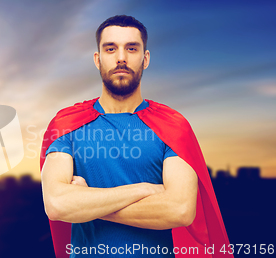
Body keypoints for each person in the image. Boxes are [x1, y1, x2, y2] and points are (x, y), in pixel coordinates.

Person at [40, 15, 232, 258]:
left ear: (146, 58)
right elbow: (57, 204)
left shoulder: (173, 126)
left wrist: (87, 203)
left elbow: (180, 210)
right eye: (111, 49)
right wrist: (144, 189)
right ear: (98, 60)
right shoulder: (67, 125)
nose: (121, 57)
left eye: (131, 48)